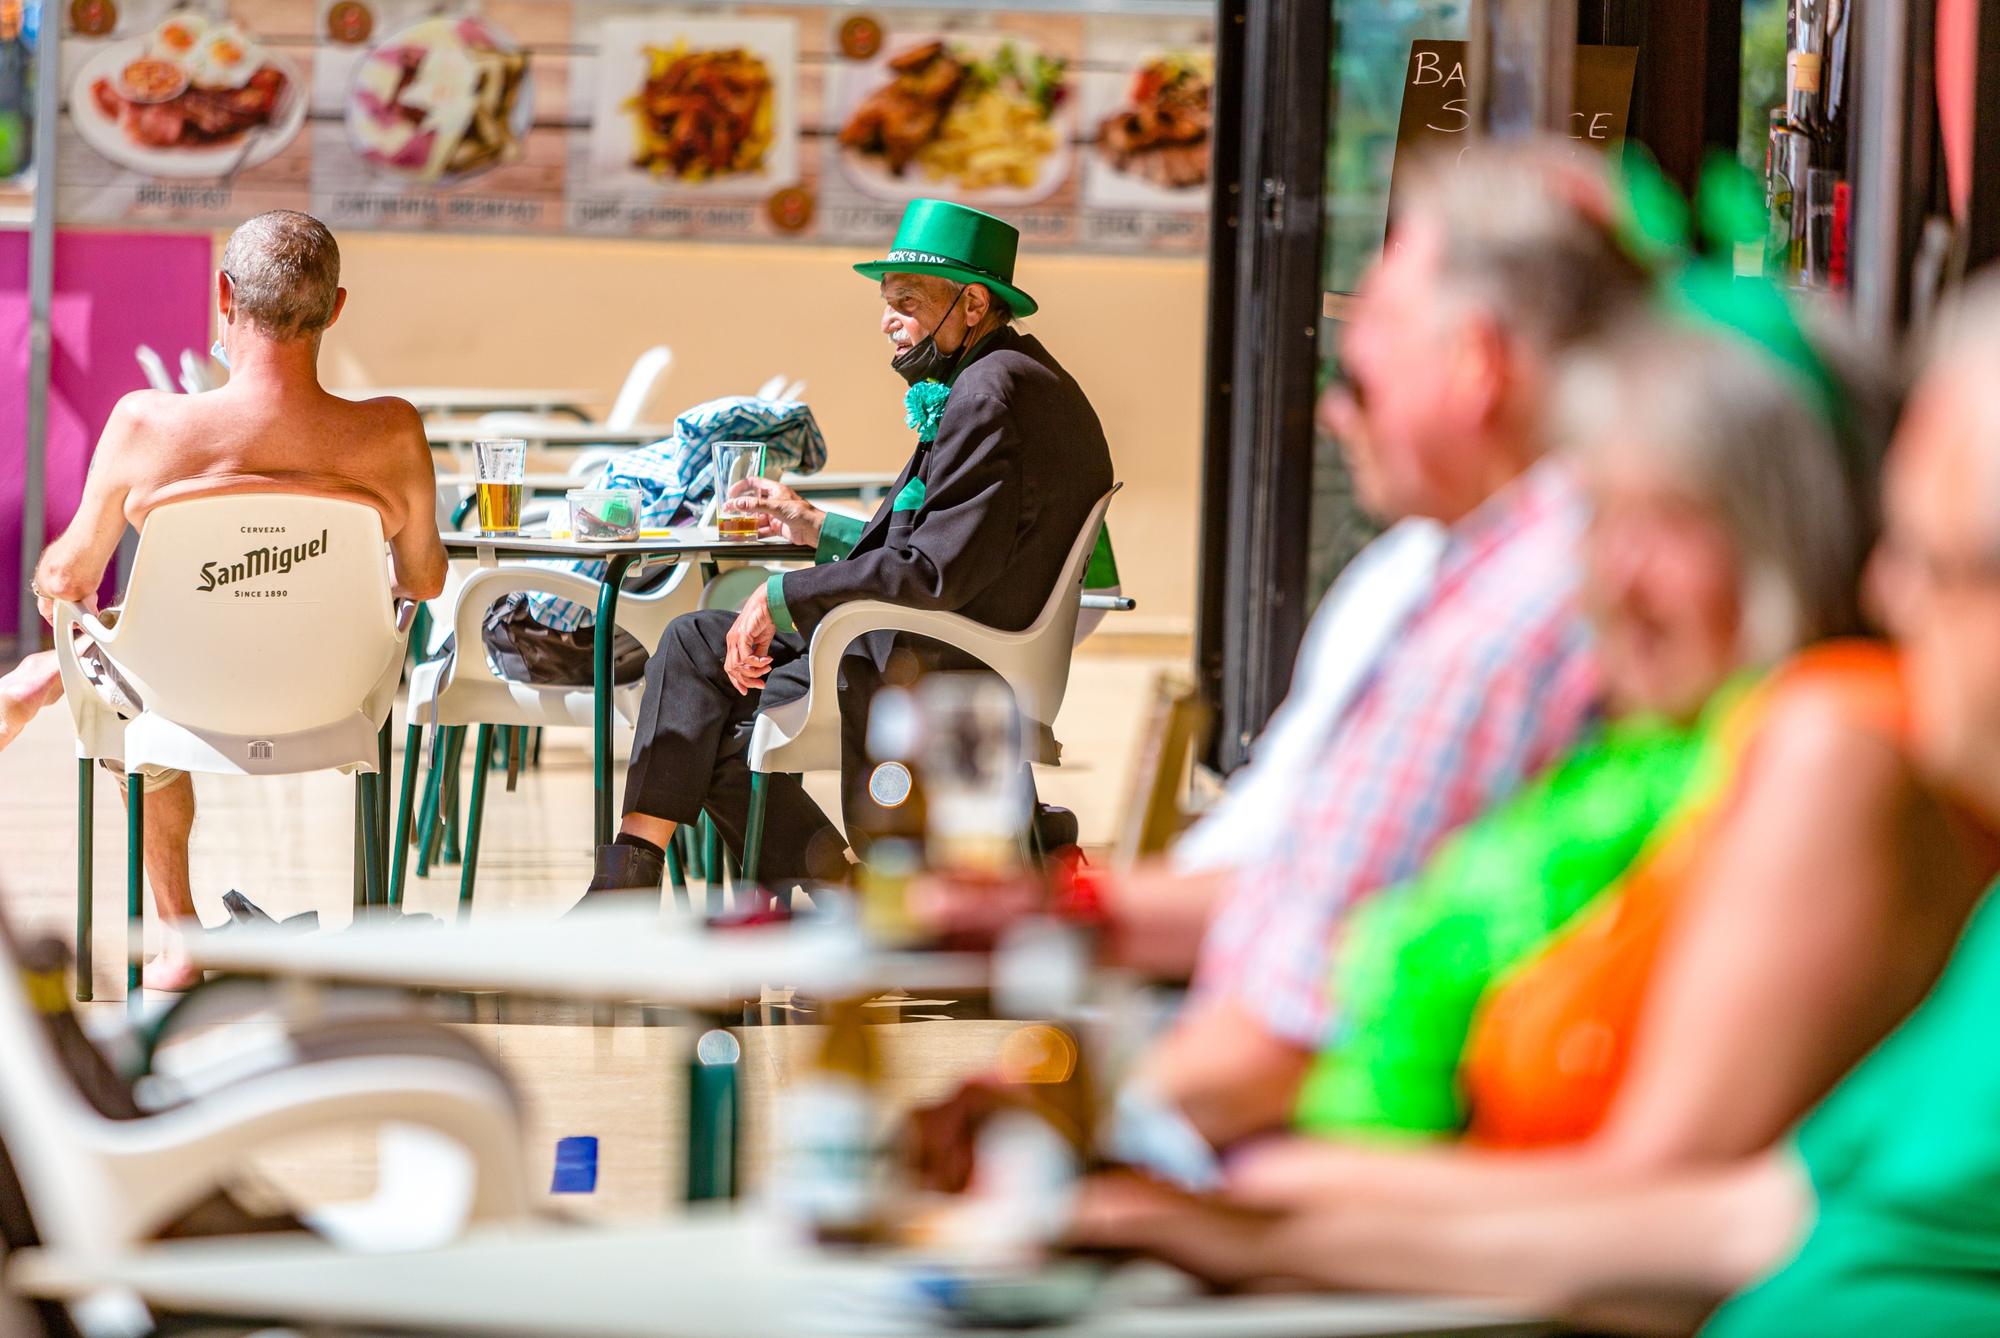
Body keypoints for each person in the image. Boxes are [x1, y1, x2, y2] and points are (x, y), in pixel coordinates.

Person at [1070, 280, 2000, 1337]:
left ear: (1787, 525)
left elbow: (1661, 1200)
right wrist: (1201, 1202)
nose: (1609, 578)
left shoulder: (1833, 735)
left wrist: (1226, 1187)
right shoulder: (1657, 754)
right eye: (1599, 517)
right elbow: (1756, 1217)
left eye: (1665, 522)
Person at [929, 142, 1649, 1149]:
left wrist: (1058, 1136)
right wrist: (1042, 910)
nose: (1332, 413)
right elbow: (1317, 883)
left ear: (1474, 366)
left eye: (1359, 372)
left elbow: (1286, 1033)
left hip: (1300, 1150)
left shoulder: (1508, 617)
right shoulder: (1450, 566)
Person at [571, 199, 1115, 903]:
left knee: (713, 724)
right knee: (694, 647)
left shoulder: (990, 395)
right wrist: (814, 527)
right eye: (887, 302)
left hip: (928, 660)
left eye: (908, 301)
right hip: (922, 636)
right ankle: (633, 869)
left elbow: (933, 573)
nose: (888, 319)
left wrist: (780, 595)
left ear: (973, 304)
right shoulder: (1003, 376)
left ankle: (826, 895)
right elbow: (946, 542)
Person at [27, 210, 445, 990]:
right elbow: (423, 582)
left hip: (181, 702)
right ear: (337, 308)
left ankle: (179, 937)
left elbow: (66, 581)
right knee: (135, 678)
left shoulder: (146, 424)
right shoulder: (392, 432)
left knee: (129, 703)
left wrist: (58, 582)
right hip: (337, 701)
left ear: (225, 295)